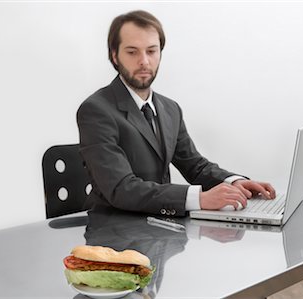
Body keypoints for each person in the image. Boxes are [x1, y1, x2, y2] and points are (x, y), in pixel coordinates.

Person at [76, 10, 275, 217]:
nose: (144, 61)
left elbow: (195, 166)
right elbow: (121, 188)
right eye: (132, 52)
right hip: (113, 232)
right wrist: (200, 198)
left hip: (161, 228)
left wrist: (235, 182)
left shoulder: (170, 109)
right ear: (115, 55)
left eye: (151, 51)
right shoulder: (96, 111)